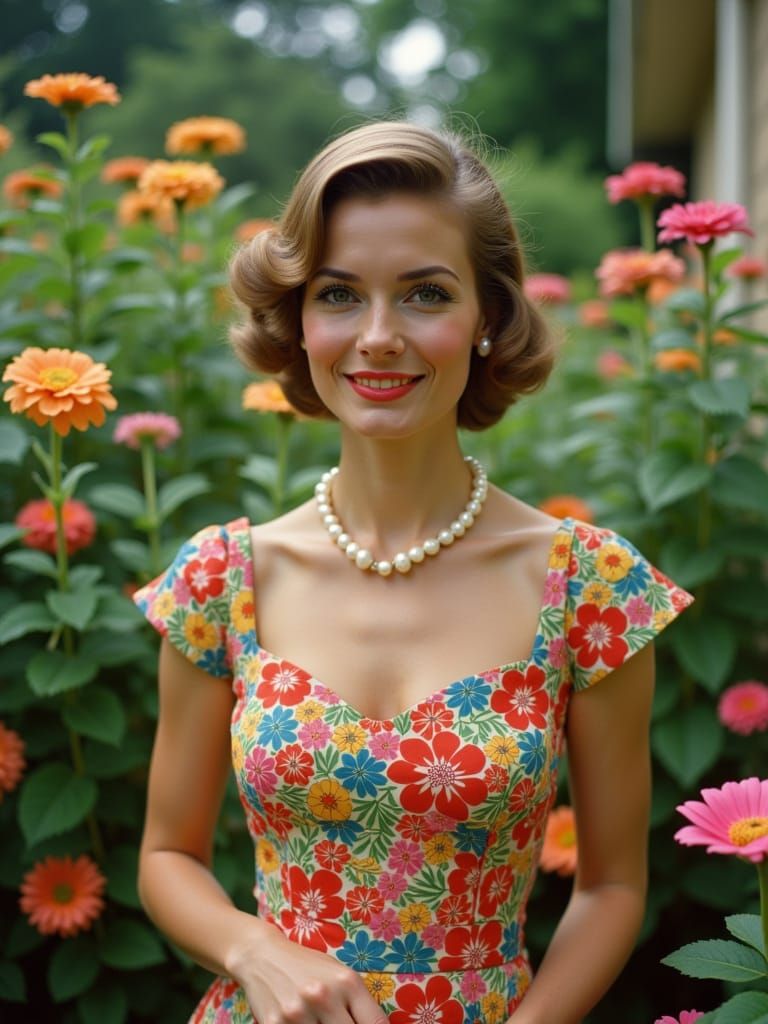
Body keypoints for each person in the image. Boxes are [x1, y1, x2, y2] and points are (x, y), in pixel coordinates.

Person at [133, 121, 694, 1024]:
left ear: (489, 319)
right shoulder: (221, 579)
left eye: (426, 294)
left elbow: (613, 886)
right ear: (300, 320)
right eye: (339, 294)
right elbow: (167, 856)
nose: (380, 336)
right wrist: (254, 949)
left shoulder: (588, 586)